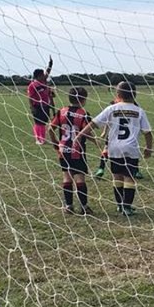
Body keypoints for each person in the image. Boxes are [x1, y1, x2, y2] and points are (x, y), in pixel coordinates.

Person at [77, 82, 153, 217]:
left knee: (117, 176)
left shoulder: (111, 108)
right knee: (129, 178)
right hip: (130, 148)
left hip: (114, 148)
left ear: (117, 94)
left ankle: (119, 205)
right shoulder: (139, 111)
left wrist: (79, 135)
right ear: (135, 94)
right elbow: (147, 132)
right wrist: (148, 148)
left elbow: (93, 123)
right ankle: (127, 207)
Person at [47, 87, 93, 215]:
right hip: (77, 151)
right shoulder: (83, 114)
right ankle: (84, 207)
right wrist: (97, 142)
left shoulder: (61, 111)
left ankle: (68, 206)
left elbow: (50, 129)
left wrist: (55, 142)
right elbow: (87, 132)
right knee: (79, 178)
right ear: (83, 99)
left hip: (63, 150)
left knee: (67, 177)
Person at [26, 66, 54, 145]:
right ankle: (39, 139)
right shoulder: (33, 85)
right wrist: (32, 107)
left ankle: (42, 138)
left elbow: (47, 73)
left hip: (45, 105)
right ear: (38, 76)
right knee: (39, 123)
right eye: (42, 75)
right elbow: (30, 97)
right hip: (37, 106)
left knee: (43, 122)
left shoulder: (44, 82)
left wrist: (50, 65)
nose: (44, 76)